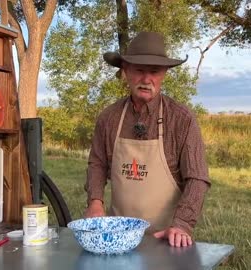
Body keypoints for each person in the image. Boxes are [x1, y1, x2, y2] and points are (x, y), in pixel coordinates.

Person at [84, 32, 210, 247]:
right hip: (119, 237)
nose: (146, 79)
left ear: (165, 74)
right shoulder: (109, 117)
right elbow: (97, 163)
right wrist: (95, 202)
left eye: (154, 71)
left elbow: (197, 178)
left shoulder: (182, 119)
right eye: (139, 70)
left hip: (167, 238)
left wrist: (182, 224)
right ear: (125, 71)